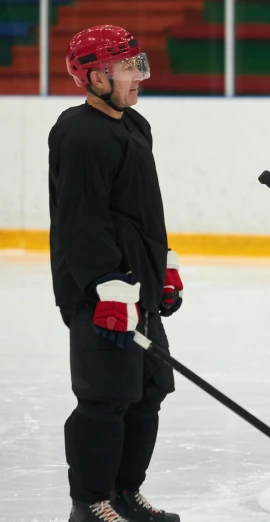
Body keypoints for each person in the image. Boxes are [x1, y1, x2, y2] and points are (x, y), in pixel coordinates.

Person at [49, 25, 182, 522]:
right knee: (105, 398)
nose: (137, 76)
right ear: (94, 76)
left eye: (136, 64)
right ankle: (91, 502)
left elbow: (144, 210)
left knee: (148, 392)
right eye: (126, 67)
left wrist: (163, 266)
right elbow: (79, 220)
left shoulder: (134, 125)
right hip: (99, 292)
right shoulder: (77, 133)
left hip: (138, 286)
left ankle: (125, 492)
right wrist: (107, 286)